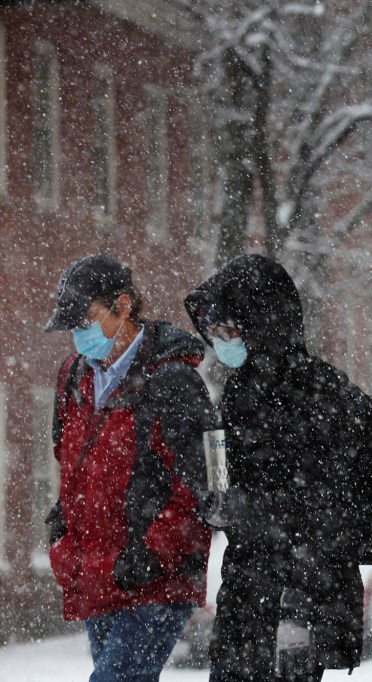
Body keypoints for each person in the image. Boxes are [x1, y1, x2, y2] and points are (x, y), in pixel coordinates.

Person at [184, 254, 372, 682]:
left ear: (262, 324)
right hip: (246, 593)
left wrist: (337, 546)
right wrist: (217, 497)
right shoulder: (238, 393)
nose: (221, 342)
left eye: (228, 330)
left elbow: (347, 483)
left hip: (300, 599)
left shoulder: (320, 392)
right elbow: (223, 482)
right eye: (215, 334)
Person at [43, 254, 214, 682]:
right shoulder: (73, 378)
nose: (77, 335)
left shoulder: (173, 381)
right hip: (100, 575)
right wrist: (63, 519)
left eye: (86, 319)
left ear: (123, 306)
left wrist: (152, 552)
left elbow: (203, 485)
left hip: (155, 580)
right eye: (72, 326)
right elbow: (71, 462)